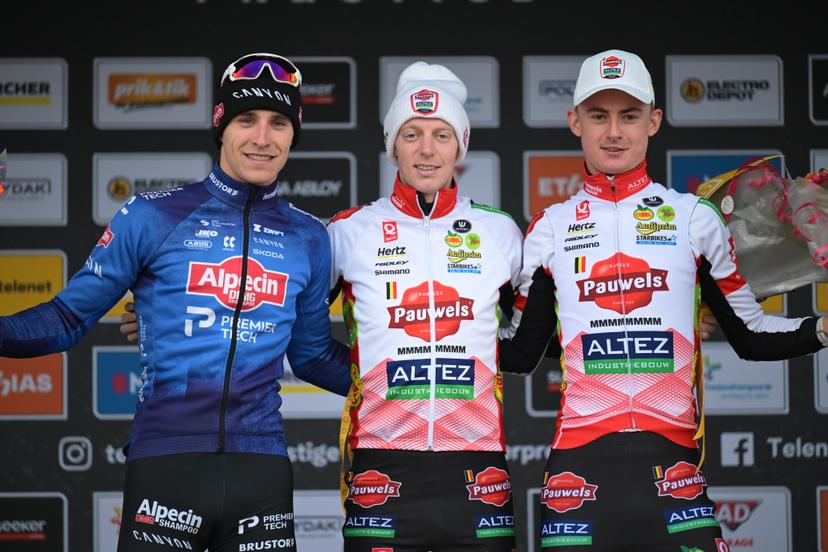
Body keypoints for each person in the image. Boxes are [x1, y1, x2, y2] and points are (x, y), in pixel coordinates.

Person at [0, 52, 350, 552]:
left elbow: (313, 356)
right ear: (221, 127)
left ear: (294, 134)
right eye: (246, 120)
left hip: (262, 470)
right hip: (167, 465)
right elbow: (66, 318)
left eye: (278, 123)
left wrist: (416, 379)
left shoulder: (310, 237)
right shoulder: (152, 216)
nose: (262, 138)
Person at [498, 49, 828, 552]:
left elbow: (752, 336)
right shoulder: (549, 229)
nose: (614, 132)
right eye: (598, 116)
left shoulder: (693, 218)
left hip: (674, 469)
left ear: (653, 121)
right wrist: (462, 305)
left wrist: (822, 328)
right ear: (574, 122)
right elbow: (523, 351)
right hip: (578, 473)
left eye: (629, 116)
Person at [323, 61, 523, 552]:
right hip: (381, 465)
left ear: (461, 145)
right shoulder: (349, 232)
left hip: (478, 468)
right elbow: (284, 324)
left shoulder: (499, 232)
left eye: (441, 134)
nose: (427, 149)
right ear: (393, 144)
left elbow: (548, 328)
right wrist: (358, 382)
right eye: (412, 134)